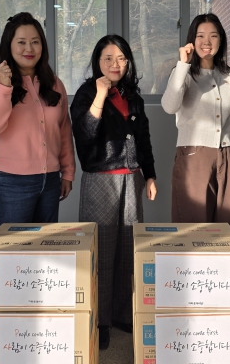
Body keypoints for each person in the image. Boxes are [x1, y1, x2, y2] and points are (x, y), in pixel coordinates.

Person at [70, 35, 157, 350]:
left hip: (132, 179)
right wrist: (100, 95)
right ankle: (100, 320)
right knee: (101, 253)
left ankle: (122, 314)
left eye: (121, 58)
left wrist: (150, 175)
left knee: (128, 250)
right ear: (97, 62)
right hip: (100, 181)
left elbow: (143, 137)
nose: (115, 64)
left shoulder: (133, 96)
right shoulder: (86, 93)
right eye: (108, 58)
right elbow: (84, 135)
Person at [0, 12, 74, 228]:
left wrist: (67, 172)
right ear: (9, 45)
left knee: (46, 243)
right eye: (21, 42)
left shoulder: (54, 84)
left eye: (35, 42)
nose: (29, 49)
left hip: (50, 179)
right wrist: (4, 87)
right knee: (14, 245)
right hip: (12, 181)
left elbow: (64, 130)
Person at [162, 13, 230, 231]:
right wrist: (182, 64)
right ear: (192, 40)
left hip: (227, 156)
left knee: (225, 227)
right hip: (194, 158)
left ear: (221, 40)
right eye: (200, 36)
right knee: (193, 227)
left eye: (213, 36)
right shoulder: (183, 73)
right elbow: (169, 106)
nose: (207, 42)